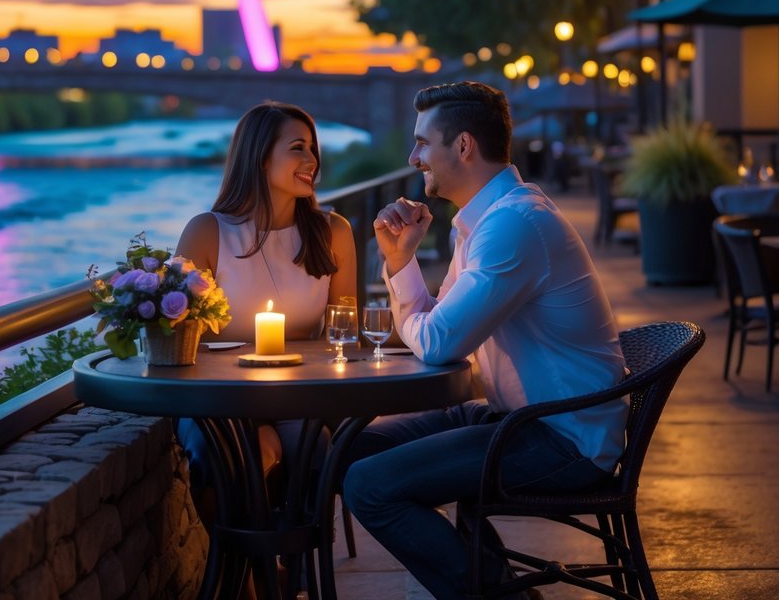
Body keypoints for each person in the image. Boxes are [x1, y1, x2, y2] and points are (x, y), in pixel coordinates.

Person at [342, 81, 627, 600]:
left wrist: (402, 270)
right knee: (350, 446)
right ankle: (483, 571)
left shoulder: (514, 225)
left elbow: (436, 342)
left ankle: (502, 597)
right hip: (514, 416)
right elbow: (437, 324)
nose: (413, 156)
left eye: (422, 143)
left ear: (464, 146)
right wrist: (402, 259)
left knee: (370, 486)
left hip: (562, 438)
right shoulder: (481, 223)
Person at [174, 100, 357, 493]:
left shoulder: (333, 233)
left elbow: (344, 336)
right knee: (228, 454)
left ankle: (291, 553)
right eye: (297, 148)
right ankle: (252, 554)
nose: (312, 159)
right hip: (218, 401)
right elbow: (177, 335)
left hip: (301, 396)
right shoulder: (207, 232)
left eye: (312, 148)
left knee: (314, 451)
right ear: (259, 159)